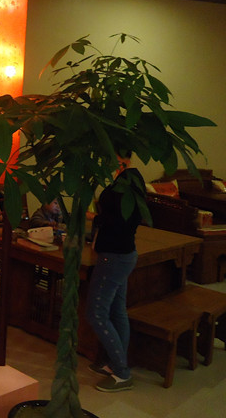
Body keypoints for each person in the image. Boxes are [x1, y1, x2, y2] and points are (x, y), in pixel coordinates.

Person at [85, 153, 146, 393]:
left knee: (96, 313)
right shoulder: (132, 180)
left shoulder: (127, 183)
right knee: (117, 310)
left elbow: (119, 220)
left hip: (114, 256)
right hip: (123, 253)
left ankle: (121, 372)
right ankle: (116, 363)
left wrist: (94, 217)